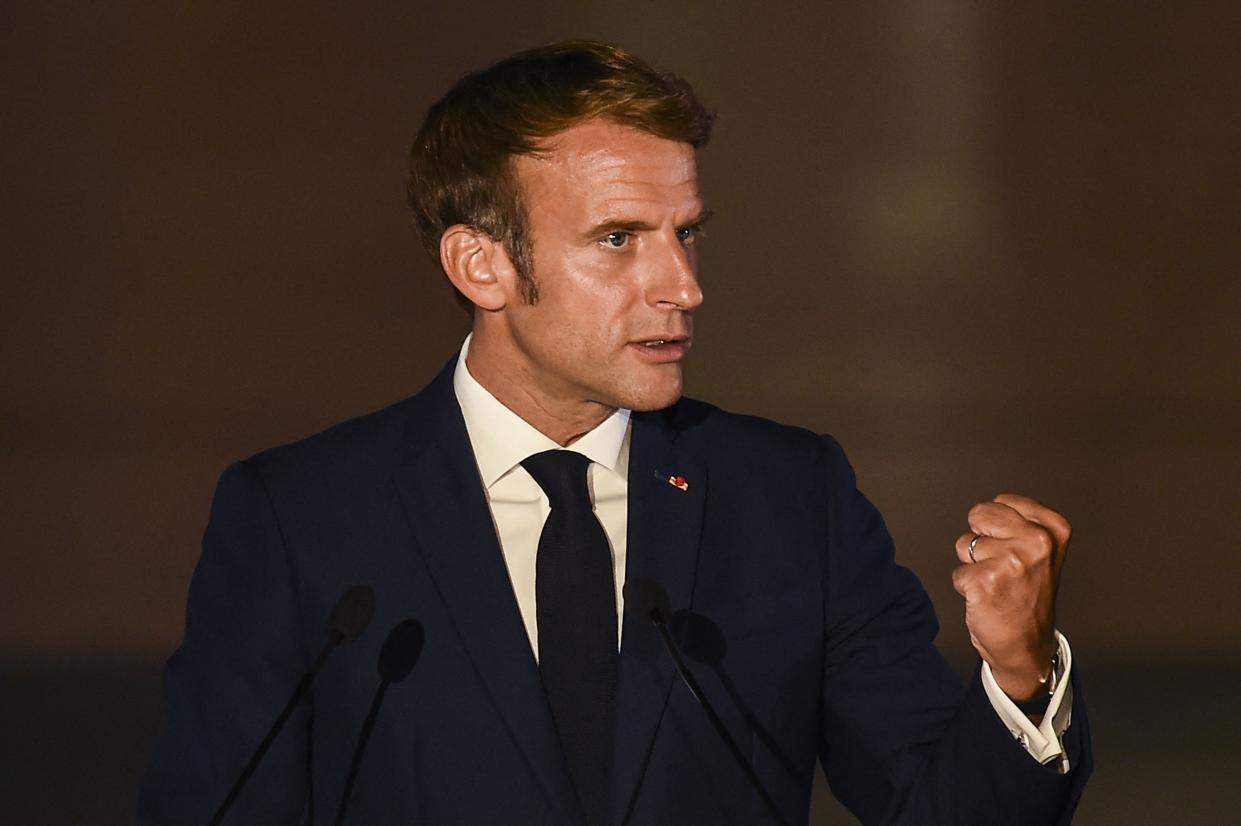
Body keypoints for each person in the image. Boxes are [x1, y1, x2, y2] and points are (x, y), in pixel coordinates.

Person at [139, 41, 1091, 825]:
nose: (682, 286)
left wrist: (1016, 669)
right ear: (481, 266)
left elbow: (936, 809)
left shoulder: (789, 498)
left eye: (687, 233)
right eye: (618, 238)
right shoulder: (302, 518)